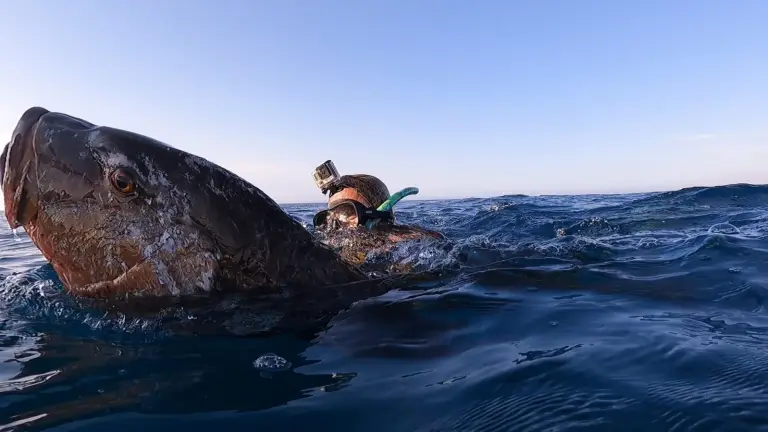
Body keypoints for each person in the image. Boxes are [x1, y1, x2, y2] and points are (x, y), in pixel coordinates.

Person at [310, 160, 444, 267]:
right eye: (329, 218)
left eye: (346, 213)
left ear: (377, 216)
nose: (337, 226)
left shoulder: (408, 246)